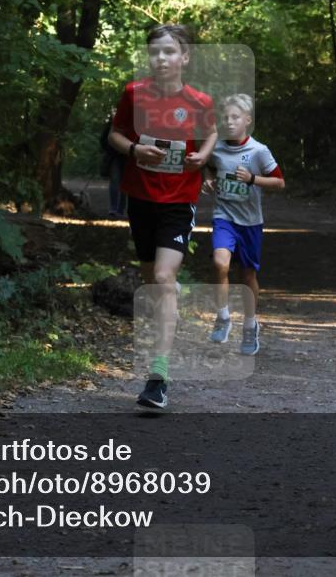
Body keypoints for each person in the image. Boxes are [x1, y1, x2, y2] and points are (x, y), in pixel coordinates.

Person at [107, 24, 218, 410]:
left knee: (162, 277)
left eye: (170, 52)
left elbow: (211, 133)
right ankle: (167, 305)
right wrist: (135, 150)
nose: (162, 59)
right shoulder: (133, 94)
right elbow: (115, 135)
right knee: (153, 285)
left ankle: (158, 375)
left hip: (178, 200)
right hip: (140, 198)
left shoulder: (200, 101)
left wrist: (203, 156)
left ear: (184, 58)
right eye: (155, 52)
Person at [203, 94, 284, 356]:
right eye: (225, 117)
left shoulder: (259, 151)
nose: (229, 122)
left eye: (235, 117)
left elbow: (279, 183)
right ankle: (223, 316)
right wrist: (207, 180)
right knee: (220, 263)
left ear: (247, 121)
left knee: (247, 275)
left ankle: (250, 325)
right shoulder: (216, 148)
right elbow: (209, 166)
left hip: (250, 222)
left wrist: (252, 179)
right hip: (224, 216)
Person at [98, 118, 126, 218]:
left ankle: (120, 209)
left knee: (123, 183)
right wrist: (109, 150)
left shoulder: (131, 123)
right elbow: (103, 139)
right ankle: (114, 208)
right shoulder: (112, 123)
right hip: (114, 157)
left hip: (126, 157)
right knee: (115, 181)